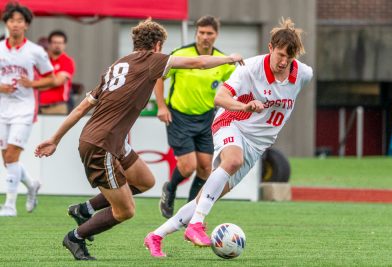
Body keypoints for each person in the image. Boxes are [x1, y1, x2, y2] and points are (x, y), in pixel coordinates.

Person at [34, 19, 244, 261]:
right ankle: (76, 237)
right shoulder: (151, 60)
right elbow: (197, 62)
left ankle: (85, 209)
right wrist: (229, 58)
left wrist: (55, 138)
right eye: (162, 47)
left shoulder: (117, 65)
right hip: (102, 145)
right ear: (157, 46)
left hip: (113, 140)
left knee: (145, 181)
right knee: (125, 211)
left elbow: (82, 107)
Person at [144, 17, 313, 258]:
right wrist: (243, 107)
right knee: (232, 159)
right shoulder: (250, 68)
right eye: (280, 55)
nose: (283, 62)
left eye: (289, 57)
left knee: (206, 198)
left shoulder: (304, 74)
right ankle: (196, 225)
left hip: (257, 145)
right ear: (270, 49)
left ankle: (156, 236)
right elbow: (219, 98)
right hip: (232, 122)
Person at [157, 15, 235, 219]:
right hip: (178, 116)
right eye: (201, 32)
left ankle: (189, 211)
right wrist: (161, 106)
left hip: (207, 118)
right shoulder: (181, 54)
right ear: (196, 33)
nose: (205, 37)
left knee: (205, 168)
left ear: (216, 35)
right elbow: (159, 76)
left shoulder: (223, 62)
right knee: (188, 166)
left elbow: (234, 87)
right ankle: (170, 189)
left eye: (209, 33)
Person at [0, 3, 55, 216]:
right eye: (12, 20)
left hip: (24, 109)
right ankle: (32, 185)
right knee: (7, 159)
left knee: (12, 155)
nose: (15, 24)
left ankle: (10, 205)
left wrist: (32, 84)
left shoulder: (35, 51)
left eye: (20, 21)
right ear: (6, 23)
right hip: (2, 108)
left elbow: (50, 78)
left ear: (26, 25)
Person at [39, 30, 75, 114]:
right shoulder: (43, 60)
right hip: (38, 106)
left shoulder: (67, 61)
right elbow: (35, 80)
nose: (57, 45)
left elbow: (58, 82)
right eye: (54, 42)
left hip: (57, 107)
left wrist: (37, 85)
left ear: (64, 45)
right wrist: (51, 81)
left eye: (60, 43)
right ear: (49, 44)